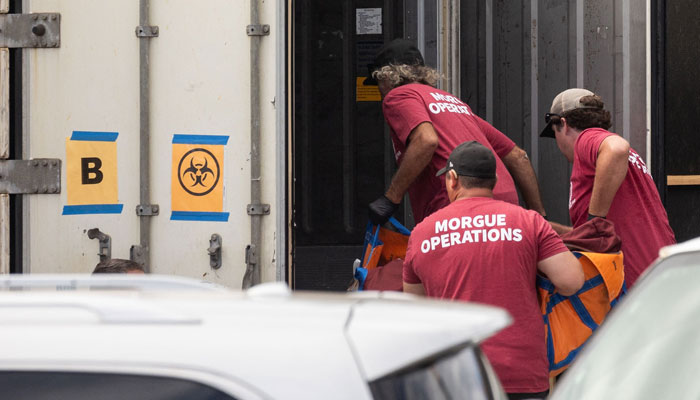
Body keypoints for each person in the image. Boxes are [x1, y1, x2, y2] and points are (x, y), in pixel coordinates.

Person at [403, 141, 584, 399]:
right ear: (495, 180)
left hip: (454, 377)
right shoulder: (528, 221)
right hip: (521, 373)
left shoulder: (422, 232)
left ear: (452, 179)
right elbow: (571, 281)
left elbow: (413, 309)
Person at [365, 39, 547, 226]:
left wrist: (390, 200)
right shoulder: (453, 103)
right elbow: (518, 156)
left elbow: (426, 140)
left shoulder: (398, 96)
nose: (380, 91)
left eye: (378, 82)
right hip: (504, 205)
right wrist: (540, 218)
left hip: (459, 204)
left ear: (385, 76)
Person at [540, 88, 675, 287]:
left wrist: (595, 220)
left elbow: (616, 148)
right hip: (660, 277)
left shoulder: (587, 139)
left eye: (555, 134)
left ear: (563, 124)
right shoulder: (617, 160)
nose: (558, 144)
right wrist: (552, 231)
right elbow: (608, 231)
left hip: (631, 286)